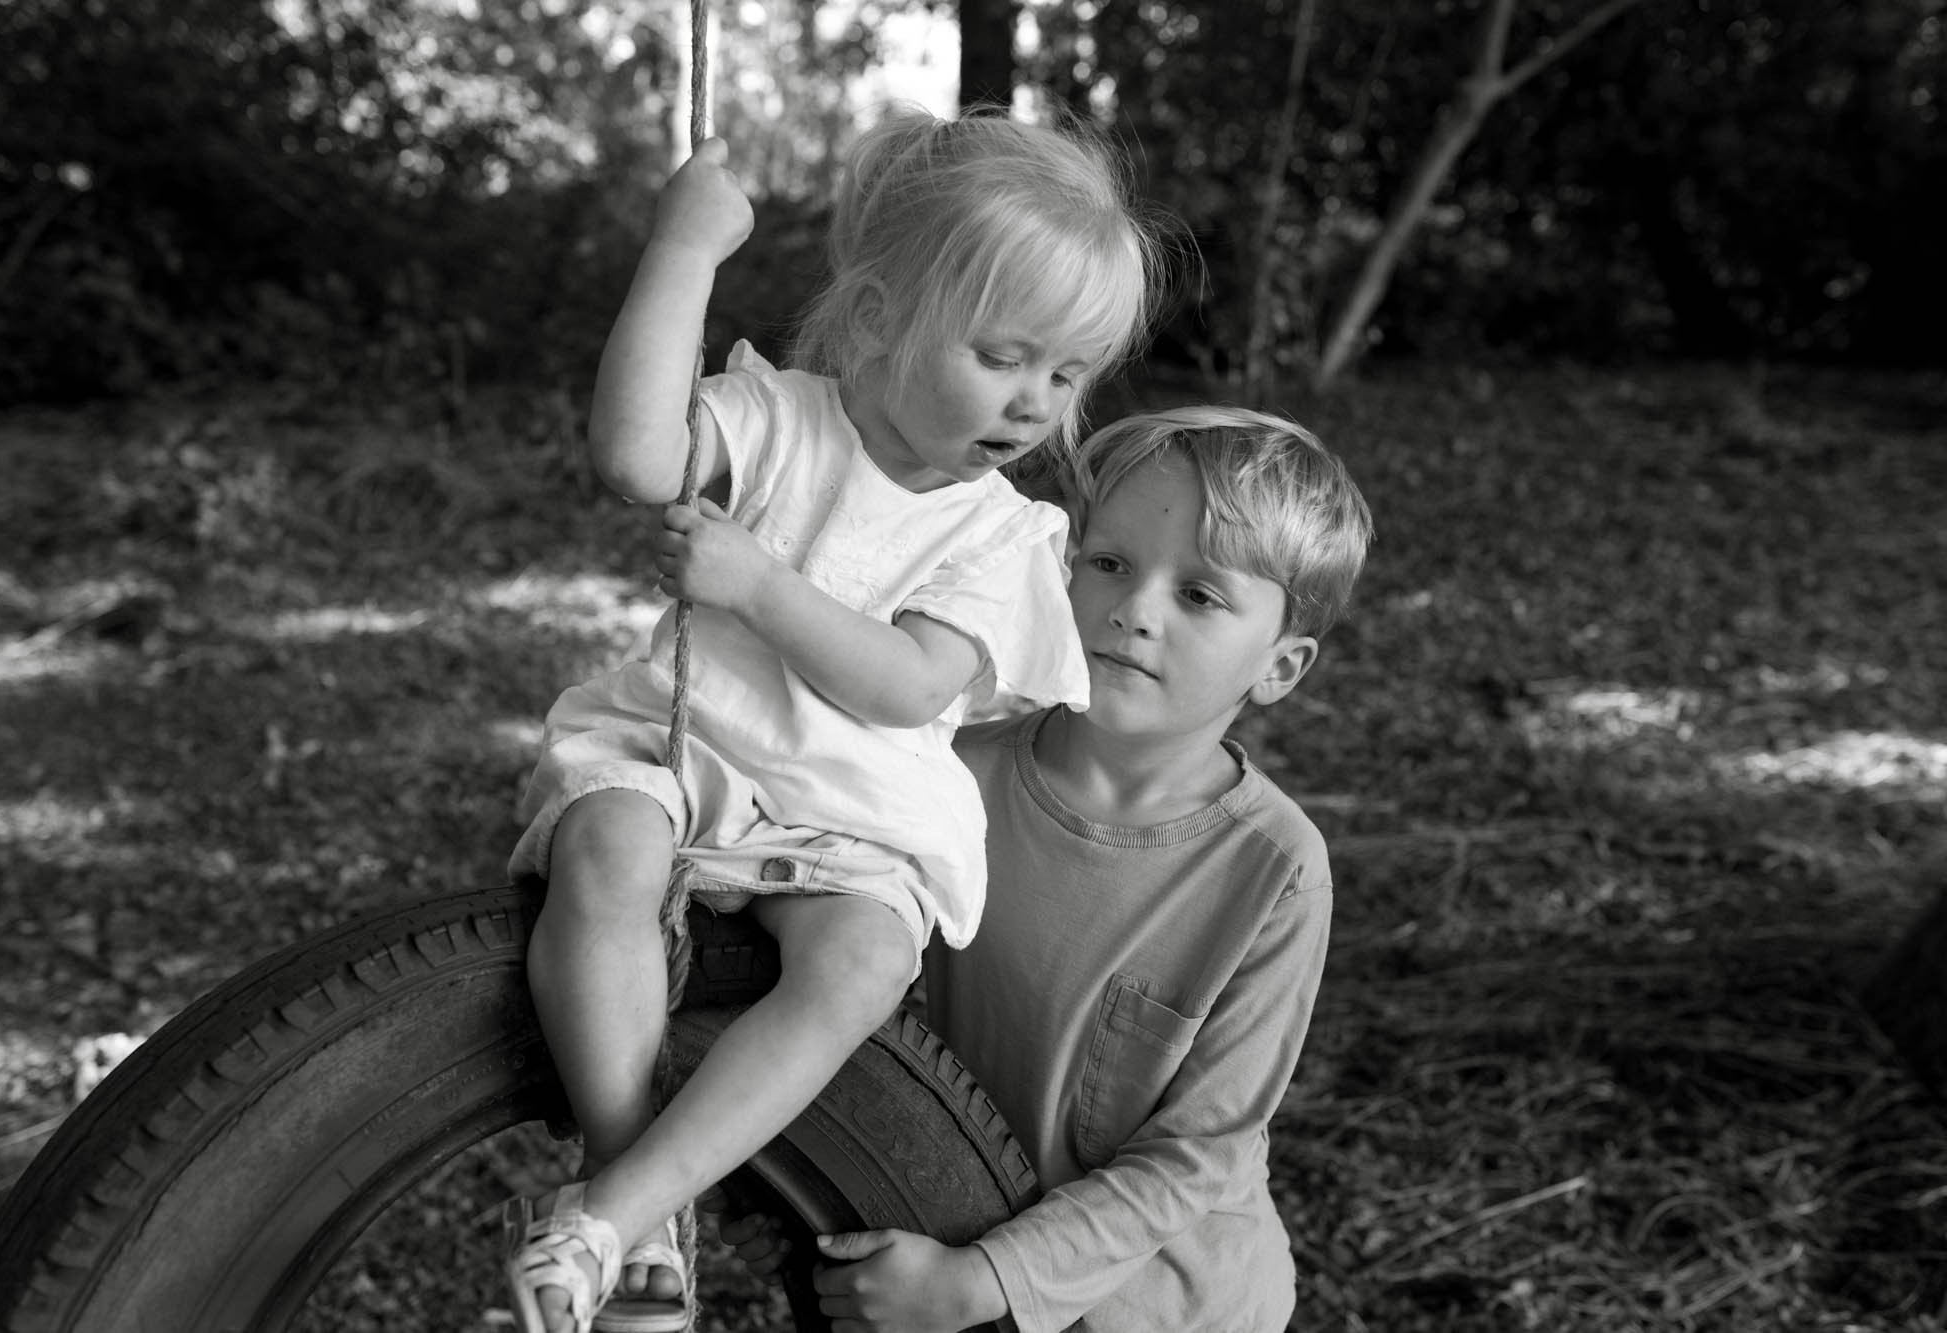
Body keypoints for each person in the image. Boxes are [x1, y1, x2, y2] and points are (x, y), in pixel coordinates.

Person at [501, 103, 1165, 1333]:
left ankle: (624, 1201)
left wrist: (759, 584)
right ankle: (631, 1186)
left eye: (1065, 376)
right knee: (606, 849)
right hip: (691, 749)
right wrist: (683, 255)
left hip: (851, 806)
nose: (1032, 403)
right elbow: (637, 455)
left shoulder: (1005, 532)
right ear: (875, 320)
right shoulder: (778, 420)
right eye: (1003, 355)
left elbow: (909, 686)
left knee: (861, 959)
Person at [725, 404, 1374, 1331]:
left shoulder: (1273, 868)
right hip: (915, 1249)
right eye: (1107, 563)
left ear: (1280, 665)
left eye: (1199, 595)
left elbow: (1195, 1154)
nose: (1133, 610)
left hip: (1155, 1306)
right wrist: (777, 1178)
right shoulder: (942, 766)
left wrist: (985, 1281)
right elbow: (827, 994)